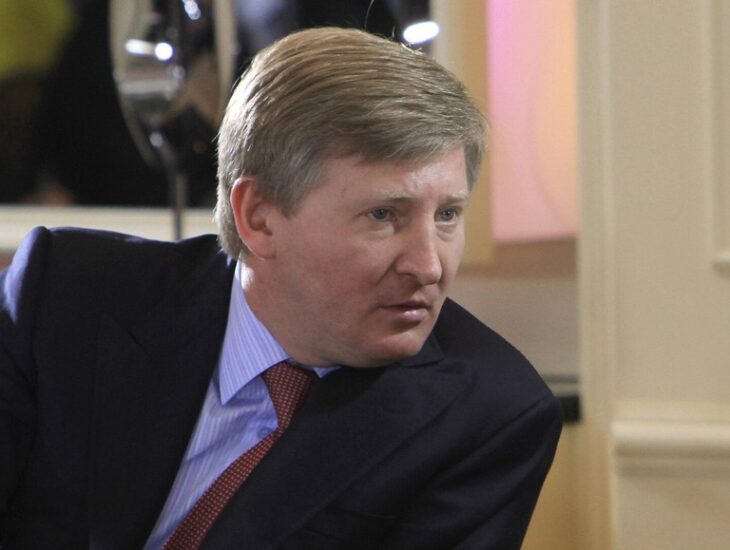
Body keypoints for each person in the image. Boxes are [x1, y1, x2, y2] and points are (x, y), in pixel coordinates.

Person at [0, 27, 562, 549]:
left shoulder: (488, 417)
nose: (429, 266)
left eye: (447, 215)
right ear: (259, 217)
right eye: (383, 215)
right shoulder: (66, 295)